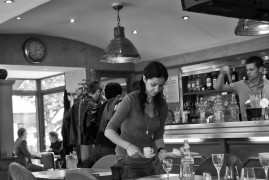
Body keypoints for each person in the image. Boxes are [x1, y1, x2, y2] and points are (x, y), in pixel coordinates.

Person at [104, 61, 169, 179]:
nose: (156, 89)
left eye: (160, 86)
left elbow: (158, 136)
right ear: (144, 79)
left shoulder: (162, 105)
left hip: (149, 163)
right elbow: (109, 130)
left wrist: (161, 150)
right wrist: (128, 146)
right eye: (153, 84)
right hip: (126, 163)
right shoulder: (130, 100)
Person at [62, 80, 103, 168]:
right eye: (101, 93)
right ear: (98, 91)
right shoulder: (94, 105)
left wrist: (75, 133)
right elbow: (90, 125)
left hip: (77, 142)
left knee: (82, 168)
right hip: (88, 142)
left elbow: (65, 120)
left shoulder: (77, 104)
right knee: (90, 169)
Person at [215, 56, 269, 121]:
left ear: (260, 69)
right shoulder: (240, 85)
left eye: (251, 70)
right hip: (247, 128)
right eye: (247, 70)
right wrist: (222, 73)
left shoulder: (267, 85)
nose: (248, 73)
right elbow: (218, 87)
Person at [94, 82, 123, 160]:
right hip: (111, 146)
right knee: (115, 172)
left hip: (98, 145)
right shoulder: (120, 104)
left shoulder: (102, 106)